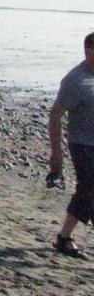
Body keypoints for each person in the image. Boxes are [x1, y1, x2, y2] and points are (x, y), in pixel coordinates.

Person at [48, 31, 94, 257]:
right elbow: (55, 115)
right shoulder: (75, 80)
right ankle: (64, 237)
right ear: (87, 51)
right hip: (82, 143)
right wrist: (56, 152)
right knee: (88, 186)